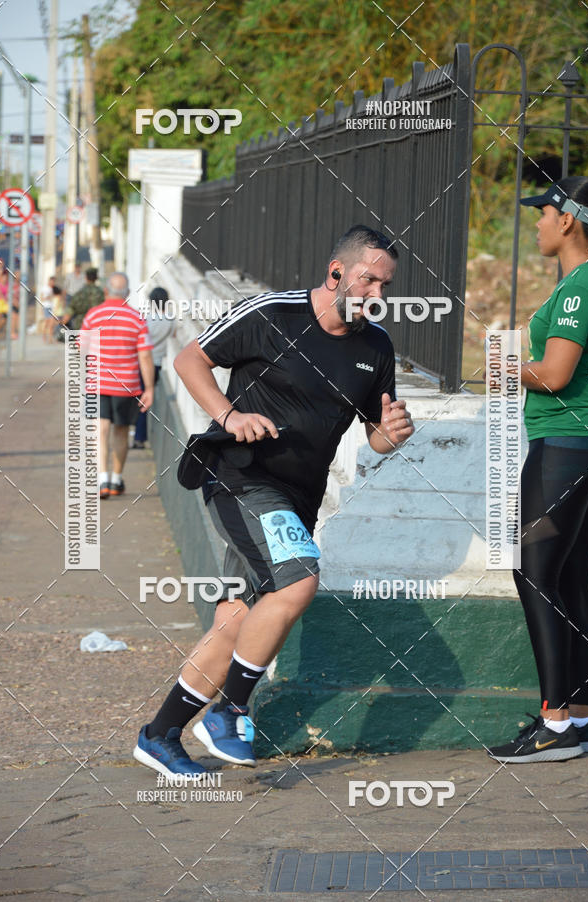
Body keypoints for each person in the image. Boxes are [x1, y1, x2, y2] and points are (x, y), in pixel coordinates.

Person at [133, 224, 415, 781]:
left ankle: (159, 736)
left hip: (297, 500)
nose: (376, 294)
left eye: (386, 285)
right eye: (368, 280)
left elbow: (375, 435)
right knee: (299, 579)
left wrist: (390, 434)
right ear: (336, 272)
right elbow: (190, 360)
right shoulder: (272, 314)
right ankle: (230, 711)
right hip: (240, 477)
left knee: (237, 621)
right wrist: (230, 415)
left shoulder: (376, 347)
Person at [488, 176, 588, 764]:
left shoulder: (581, 285)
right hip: (580, 445)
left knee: (533, 572)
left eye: (543, 213)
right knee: (571, 574)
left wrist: (501, 362)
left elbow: (554, 374)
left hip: (565, 446)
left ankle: (555, 725)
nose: (536, 223)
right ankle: (584, 713)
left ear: (569, 220)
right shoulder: (581, 282)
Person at [81, 272, 154, 498]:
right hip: (126, 385)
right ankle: (116, 480)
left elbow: (82, 348)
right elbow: (145, 356)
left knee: (100, 430)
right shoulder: (137, 318)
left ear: (106, 291)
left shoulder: (93, 315)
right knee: (121, 432)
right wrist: (149, 388)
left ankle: (101, 479)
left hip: (97, 383)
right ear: (128, 293)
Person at [132, 286, 174, 448]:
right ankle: (139, 435)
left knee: (139, 401)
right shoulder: (171, 320)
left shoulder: (146, 319)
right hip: (157, 364)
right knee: (146, 400)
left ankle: (139, 437)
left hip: (142, 363)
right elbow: (173, 336)